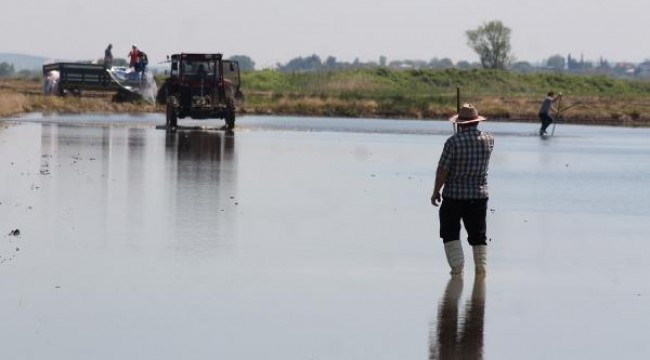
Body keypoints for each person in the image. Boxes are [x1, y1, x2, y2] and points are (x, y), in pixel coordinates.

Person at [431, 104, 494, 277]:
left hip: (454, 196)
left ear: (460, 123)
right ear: (476, 122)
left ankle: (457, 270)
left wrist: (436, 191)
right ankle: (481, 270)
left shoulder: (453, 142)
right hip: (479, 195)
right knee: (478, 234)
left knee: (450, 232)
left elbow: (442, 170)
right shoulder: (489, 139)